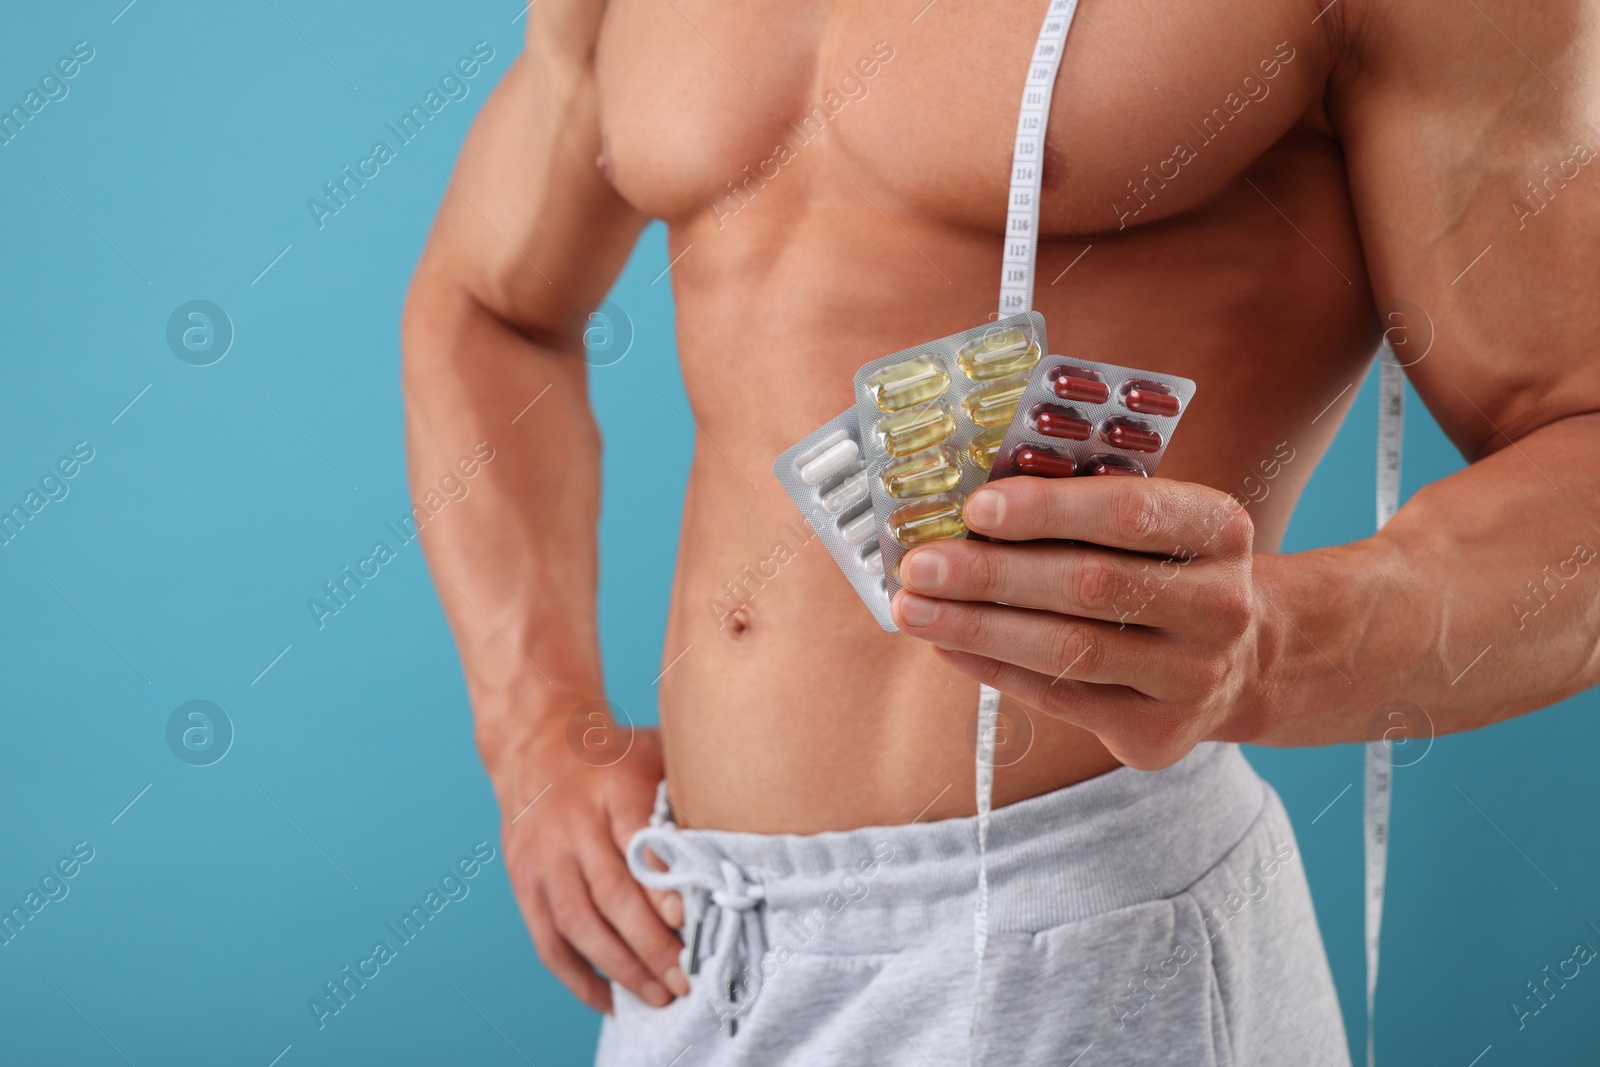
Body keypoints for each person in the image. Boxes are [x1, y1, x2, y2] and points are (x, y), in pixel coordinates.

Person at [401, 0, 1600, 1062]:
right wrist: (534, 734)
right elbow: (486, 304)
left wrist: (1273, 644)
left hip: (1093, 945)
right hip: (702, 943)